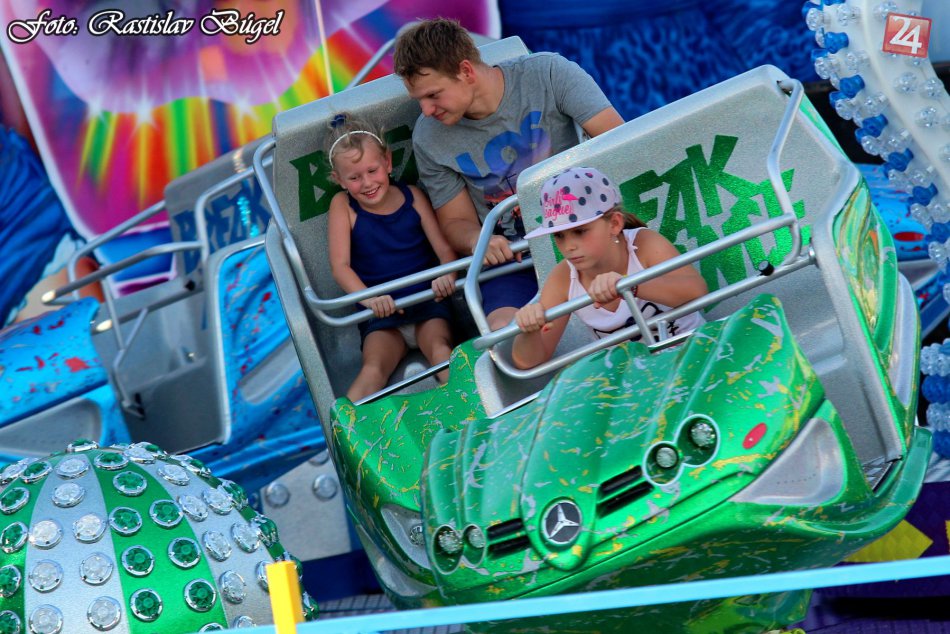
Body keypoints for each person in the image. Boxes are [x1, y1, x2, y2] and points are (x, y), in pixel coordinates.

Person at [392, 18, 624, 331]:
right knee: (504, 335)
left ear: (466, 71)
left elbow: (619, 146)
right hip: (513, 262)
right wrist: (478, 240)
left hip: (587, 236)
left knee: (618, 303)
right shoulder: (428, 136)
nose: (426, 110)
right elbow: (455, 221)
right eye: (419, 100)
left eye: (433, 95)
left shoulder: (549, 73)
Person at [512, 167, 708, 370]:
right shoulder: (563, 277)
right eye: (559, 236)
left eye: (580, 231)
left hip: (693, 355)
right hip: (633, 379)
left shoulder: (644, 244)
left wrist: (629, 286)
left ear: (614, 224)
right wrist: (529, 330)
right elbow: (527, 362)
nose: (569, 246)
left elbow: (696, 290)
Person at [325, 114, 457, 401]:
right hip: (381, 316)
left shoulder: (413, 196)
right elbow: (340, 267)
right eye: (354, 178)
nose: (367, 183)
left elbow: (445, 250)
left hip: (426, 303)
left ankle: (474, 409)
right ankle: (349, 424)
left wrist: (447, 275)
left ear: (387, 161)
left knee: (441, 351)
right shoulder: (343, 206)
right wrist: (371, 299)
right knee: (373, 369)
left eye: (372, 171)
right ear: (339, 180)